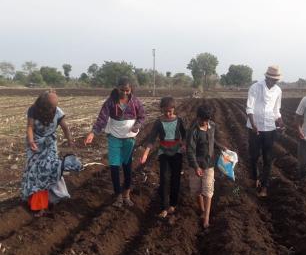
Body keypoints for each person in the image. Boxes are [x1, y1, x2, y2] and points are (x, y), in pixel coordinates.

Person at [85, 76, 146, 207]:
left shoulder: (135, 102)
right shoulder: (110, 102)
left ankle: (127, 195)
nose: (124, 93)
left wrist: (137, 125)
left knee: (127, 166)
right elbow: (102, 118)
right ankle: (118, 195)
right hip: (114, 138)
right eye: (122, 90)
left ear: (131, 89)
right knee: (114, 166)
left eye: (127, 90)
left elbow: (142, 117)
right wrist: (93, 132)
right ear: (117, 88)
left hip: (129, 139)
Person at [21, 90, 75, 217]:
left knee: (49, 171)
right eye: (51, 106)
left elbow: (65, 127)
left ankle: (52, 199)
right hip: (35, 144)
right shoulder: (33, 110)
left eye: (55, 105)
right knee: (34, 173)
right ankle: (38, 204)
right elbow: (29, 126)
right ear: (44, 105)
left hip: (50, 144)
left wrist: (70, 141)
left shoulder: (57, 111)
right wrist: (30, 140)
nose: (54, 108)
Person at [140, 97, 186, 219]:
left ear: (174, 109)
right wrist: (145, 153)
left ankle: (173, 204)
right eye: (165, 111)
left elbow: (185, 135)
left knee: (176, 179)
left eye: (170, 111)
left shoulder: (179, 120)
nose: (168, 114)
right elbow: (152, 138)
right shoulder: (158, 122)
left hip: (177, 153)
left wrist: (184, 145)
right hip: (164, 152)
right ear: (161, 110)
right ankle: (164, 207)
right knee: (164, 180)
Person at [246, 65, 285, 197]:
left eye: (276, 80)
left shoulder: (278, 91)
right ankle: (254, 178)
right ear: (266, 77)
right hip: (254, 128)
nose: (274, 81)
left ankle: (264, 186)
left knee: (268, 159)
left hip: (269, 128)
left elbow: (276, 110)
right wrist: (253, 124)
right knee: (254, 156)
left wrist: (280, 121)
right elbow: (249, 108)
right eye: (272, 79)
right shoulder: (255, 87)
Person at [186, 104, 225, 229]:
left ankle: (206, 217)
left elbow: (212, 141)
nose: (204, 122)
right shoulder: (193, 131)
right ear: (198, 118)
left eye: (207, 120)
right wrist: (196, 167)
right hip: (196, 164)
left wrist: (221, 147)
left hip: (209, 165)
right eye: (202, 119)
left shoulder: (212, 126)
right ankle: (202, 210)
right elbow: (190, 150)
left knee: (208, 191)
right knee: (197, 190)